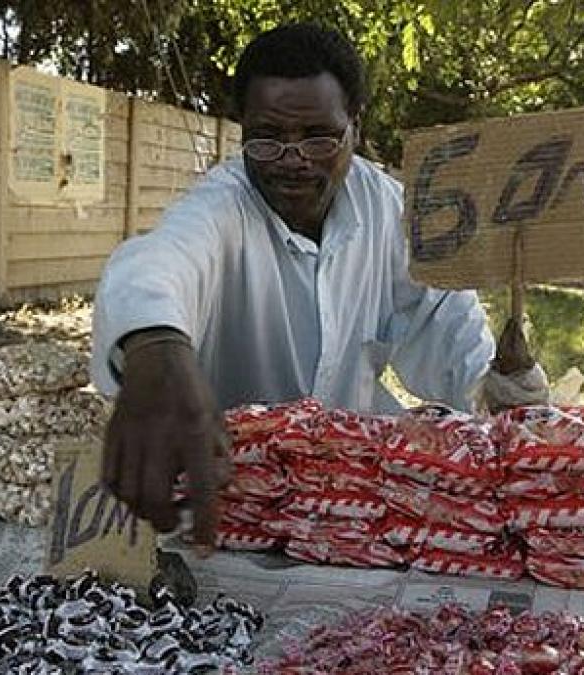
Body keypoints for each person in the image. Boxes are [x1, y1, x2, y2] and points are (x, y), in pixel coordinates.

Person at [91, 24, 546, 552]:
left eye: (318, 137)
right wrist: (156, 344)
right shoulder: (222, 207)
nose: (291, 158)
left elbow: (453, 342)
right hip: (235, 512)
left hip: (357, 515)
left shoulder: (391, 214)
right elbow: (160, 259)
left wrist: (504, 384)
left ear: (355, 125)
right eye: (267, 137)